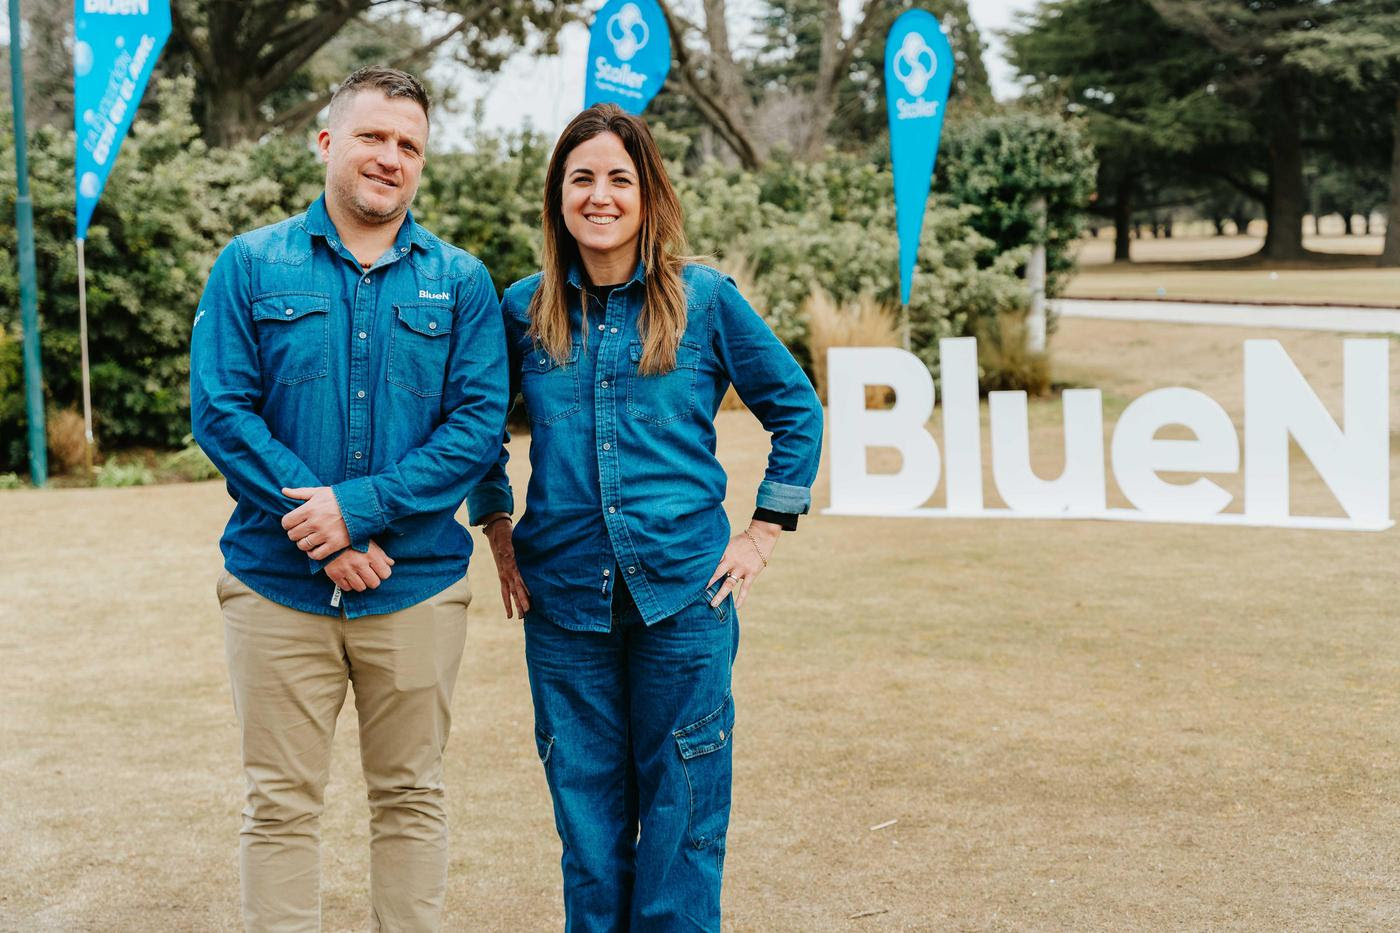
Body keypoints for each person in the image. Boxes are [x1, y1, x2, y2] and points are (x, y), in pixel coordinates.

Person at [468, 103, 824, 931]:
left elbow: (796, 408)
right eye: (581, 177)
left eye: (618, 179)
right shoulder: (521, 309)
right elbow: (475, 426)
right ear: (558, 194)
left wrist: (764, 530)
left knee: (684, 820)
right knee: (588, 827)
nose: (600, 195)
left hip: (686, 599)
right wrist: (497, 527)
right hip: (562, 605)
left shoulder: (703, 299)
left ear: (647, 192)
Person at [190, 66, 508, 932]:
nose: (390, 157)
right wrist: (327, 535)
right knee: (280, 805)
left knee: (410, 797)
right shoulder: (251, 265)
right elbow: (222, 411)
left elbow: (476, 428)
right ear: (327, 142)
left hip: (416, 587)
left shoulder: (462, 282)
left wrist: (358, 510)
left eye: (409, 146)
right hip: (275, 586)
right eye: (373, 136)